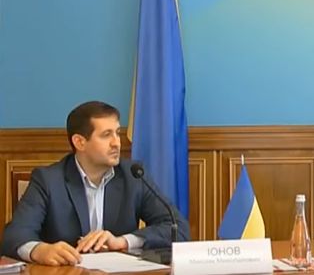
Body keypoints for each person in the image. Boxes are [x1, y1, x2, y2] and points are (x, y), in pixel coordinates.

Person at [1, 101, 190, 265]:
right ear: (79, 142)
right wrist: (39, 250)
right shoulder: (48, 180)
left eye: (117, 133)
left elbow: (178, 228)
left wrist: (122, 242)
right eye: (106, 135)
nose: (117, 143)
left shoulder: (133, 176)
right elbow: (14, 235)